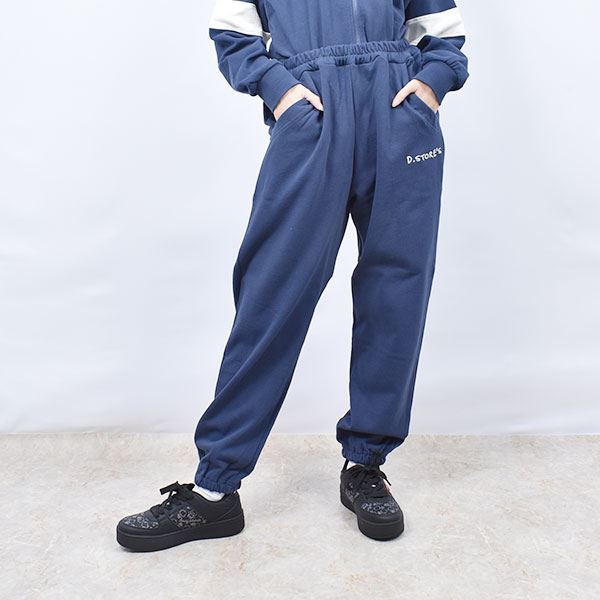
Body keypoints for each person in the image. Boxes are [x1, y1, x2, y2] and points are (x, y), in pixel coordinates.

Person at [117, 0, 468, 551]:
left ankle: (366, 464)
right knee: (271, 295)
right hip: (314, 117)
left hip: (400, 117)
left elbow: (442, 30)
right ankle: (215, 488)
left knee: (397, 292)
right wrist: (280, 90)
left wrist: (432, 84)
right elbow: (232, 31)